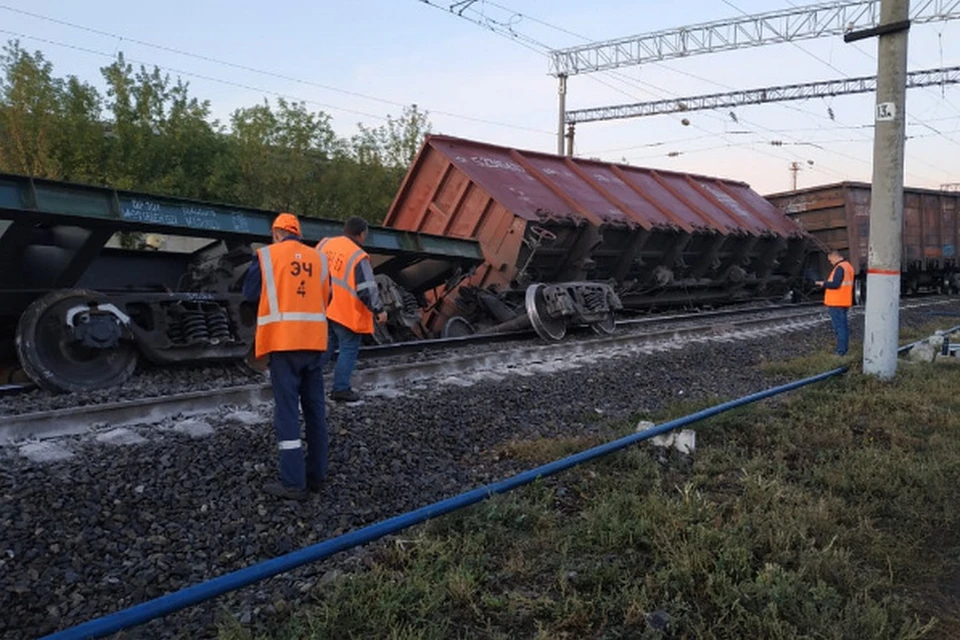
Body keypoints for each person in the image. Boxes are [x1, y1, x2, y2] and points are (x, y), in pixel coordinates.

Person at [243, 213, 331, 501]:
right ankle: (317, 475)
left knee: (288, 412)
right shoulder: (318, 258)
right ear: (298, 233)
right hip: (315, 343)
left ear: (277, 233)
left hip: (283, 344)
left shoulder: (266, 256)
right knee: (316, 410)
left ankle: (293, 482)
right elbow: (325, 297)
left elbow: (250, 293)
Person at [316, 216, 387, 403]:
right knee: (348, 348)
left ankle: (305, 380)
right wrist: (379, 310)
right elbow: (367, 289)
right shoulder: (357, 255)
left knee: (326, 346)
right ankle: (341, 389)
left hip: (323, 307)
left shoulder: (325, 245)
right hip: (345, 311)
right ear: (361, 234)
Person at [816, 250, 854, 356]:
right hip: (843, 301)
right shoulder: (848, 266)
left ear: (835, 257)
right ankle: (843, 349)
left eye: (830, 260)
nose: (830, 262)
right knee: (843, 327)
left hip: (837, 302)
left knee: (840, 328)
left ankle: (841, 351)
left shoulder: (840, 267)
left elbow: (836, 284)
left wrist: (823, 283)